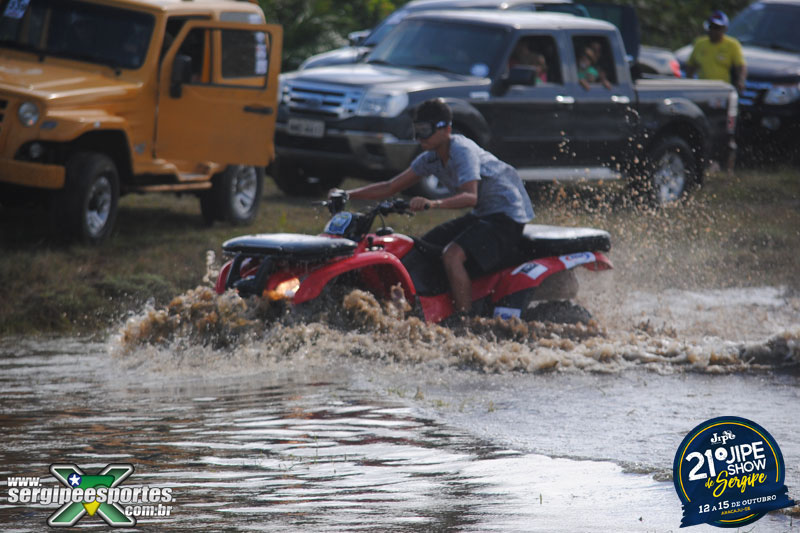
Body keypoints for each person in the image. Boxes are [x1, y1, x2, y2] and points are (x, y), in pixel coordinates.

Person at [332, 98, 534, 318]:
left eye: (425, 130)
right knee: (419, 248)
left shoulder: (462, 151)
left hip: (507, 216)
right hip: (483, 214)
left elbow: (470, 197)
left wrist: (432, 203)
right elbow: (391, 186)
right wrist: (347, 194)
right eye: (416, 131)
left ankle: (464, 321)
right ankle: (419, 308)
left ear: (446, 129)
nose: (419, 138)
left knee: (452, 255)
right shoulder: (429, 158)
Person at [686, 10, 747, 92]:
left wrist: (741, 81)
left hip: (721, 89)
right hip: (701, 88)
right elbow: (691, 64)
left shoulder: (732, 45)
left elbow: (740, 66)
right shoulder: (700, 43)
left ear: (724, 29)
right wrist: (689, 82)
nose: (713, 31)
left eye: (717, 28)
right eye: (711, 27)